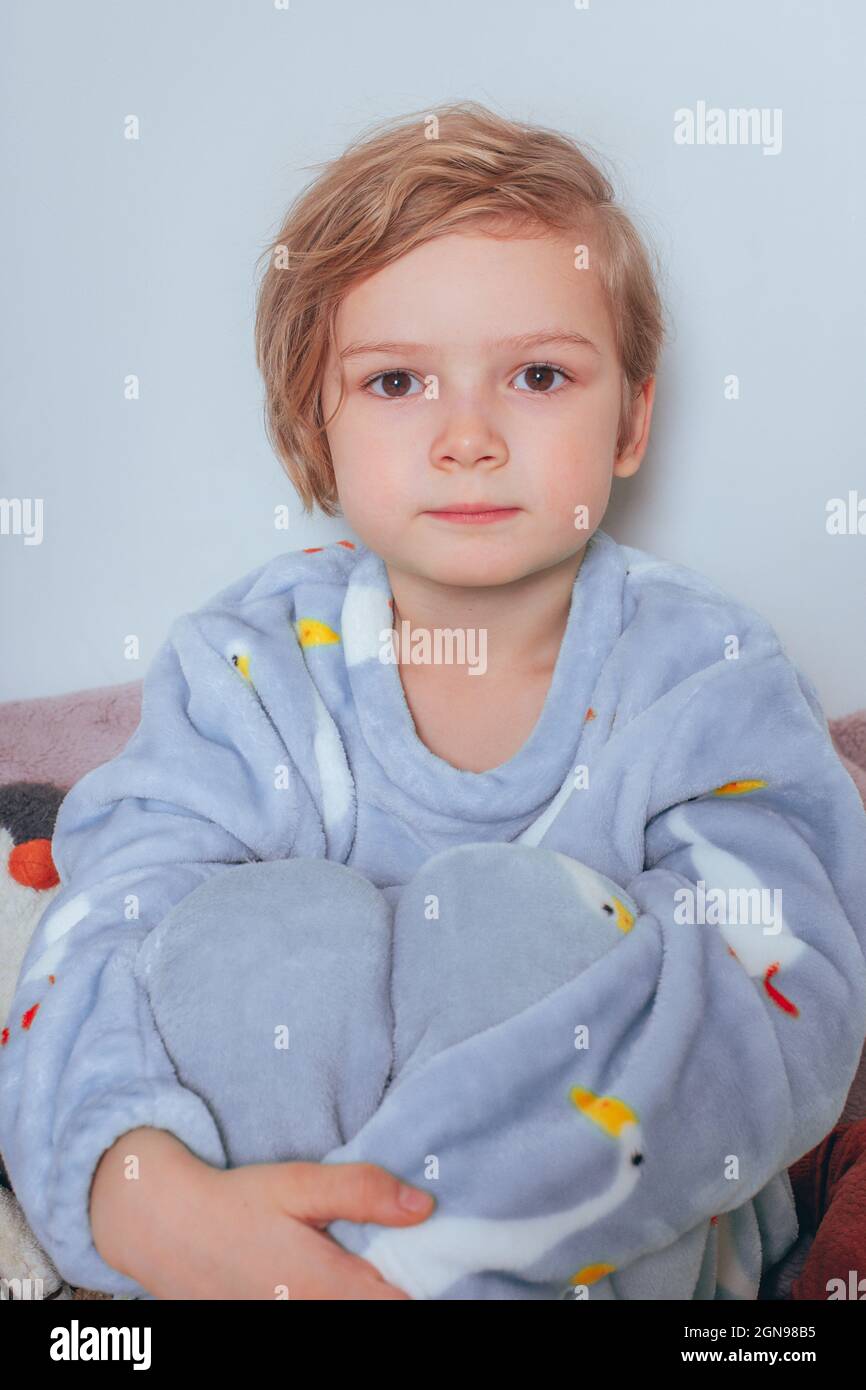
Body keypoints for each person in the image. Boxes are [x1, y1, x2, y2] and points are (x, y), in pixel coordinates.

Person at [1, 100, 864, 1301]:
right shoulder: (244, 670)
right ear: (317, 420)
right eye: (398, 379)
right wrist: (145, 1198)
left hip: (602, 1252)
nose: (467, 435)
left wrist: (416, 1248)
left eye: (538, 374)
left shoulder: (705, 676)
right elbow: (97, 933)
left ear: (631, 418)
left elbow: (786, 1003)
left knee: (528, 932)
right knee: (245, 939)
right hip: (264, 1250)